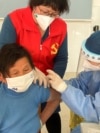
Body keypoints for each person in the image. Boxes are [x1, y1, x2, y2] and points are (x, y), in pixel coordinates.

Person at [0, 0, 69, 132]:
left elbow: (61, 58)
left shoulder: (61, 27)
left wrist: (53, 80)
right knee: (17, 112)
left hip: (45, 79)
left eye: (53, 14)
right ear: (34, 5)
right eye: (44, 11)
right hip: (19, 76)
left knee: (52, 112)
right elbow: (4, 50)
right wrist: (31, 70)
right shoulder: (15, 19)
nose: (48, 17)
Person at [0, 42, 61, 133]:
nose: (22, 76)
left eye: (26, 69)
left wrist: (40, 121)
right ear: (2, 77)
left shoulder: (35, 89)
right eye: (15, 73)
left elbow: (57, 97)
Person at [47, 31, 100, 133]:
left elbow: (93, 110)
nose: (85, 63)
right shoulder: (95, 71)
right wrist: (56, 85)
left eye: (89, 60)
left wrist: (64, 89)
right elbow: (80, 83)